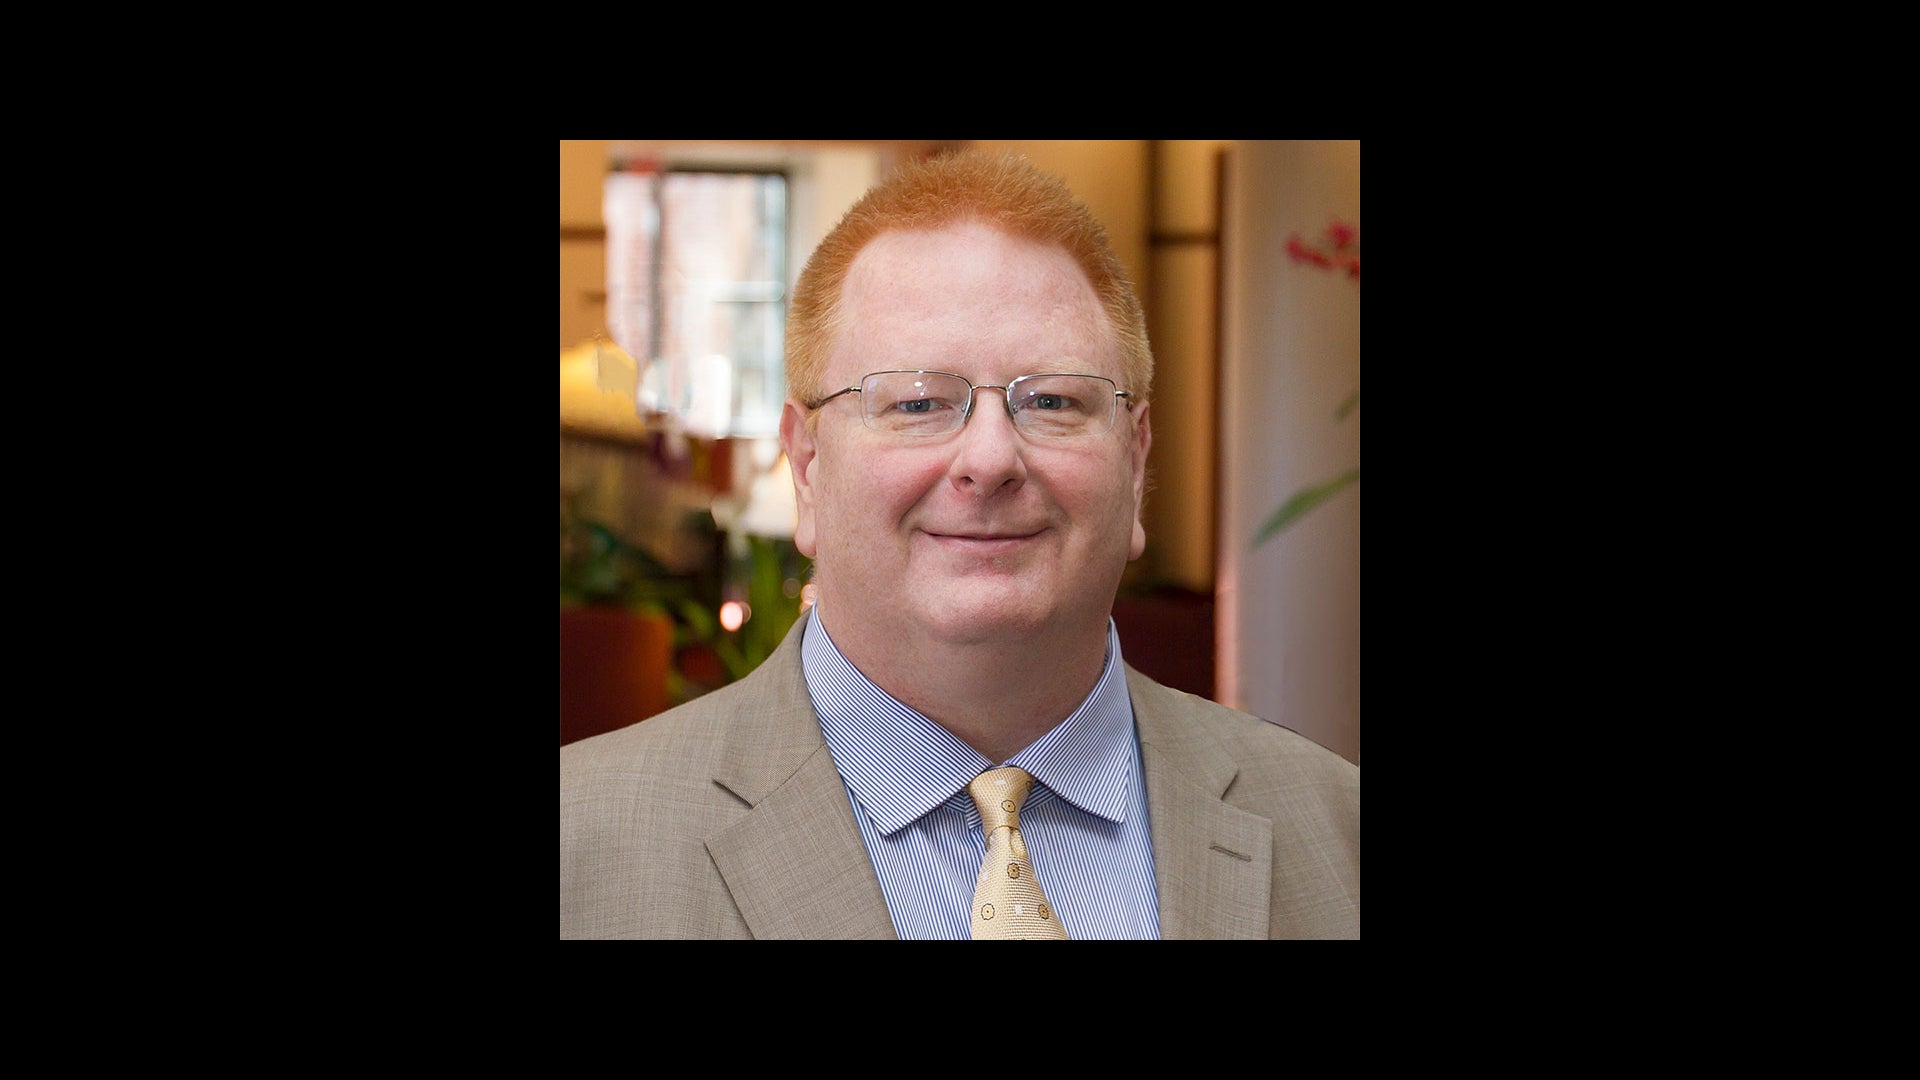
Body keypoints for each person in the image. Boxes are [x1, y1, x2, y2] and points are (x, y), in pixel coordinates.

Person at [560, 148, 1359, 939]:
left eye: (1052, 401)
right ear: (806, 465)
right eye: (917, 403)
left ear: (1136, 457)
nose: (990, 459)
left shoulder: (1339, 828)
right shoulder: (583, 848)